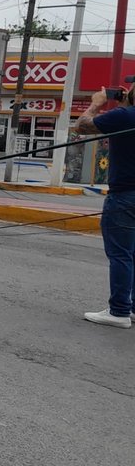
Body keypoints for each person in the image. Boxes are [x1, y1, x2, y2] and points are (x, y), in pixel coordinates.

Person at [78, 86, 135, 329]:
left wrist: (96, 103)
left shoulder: (124, 116)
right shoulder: (125, 116)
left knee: (121, 254)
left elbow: (82, 126)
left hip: (124, 195)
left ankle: (119, 311)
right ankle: (132, 308)